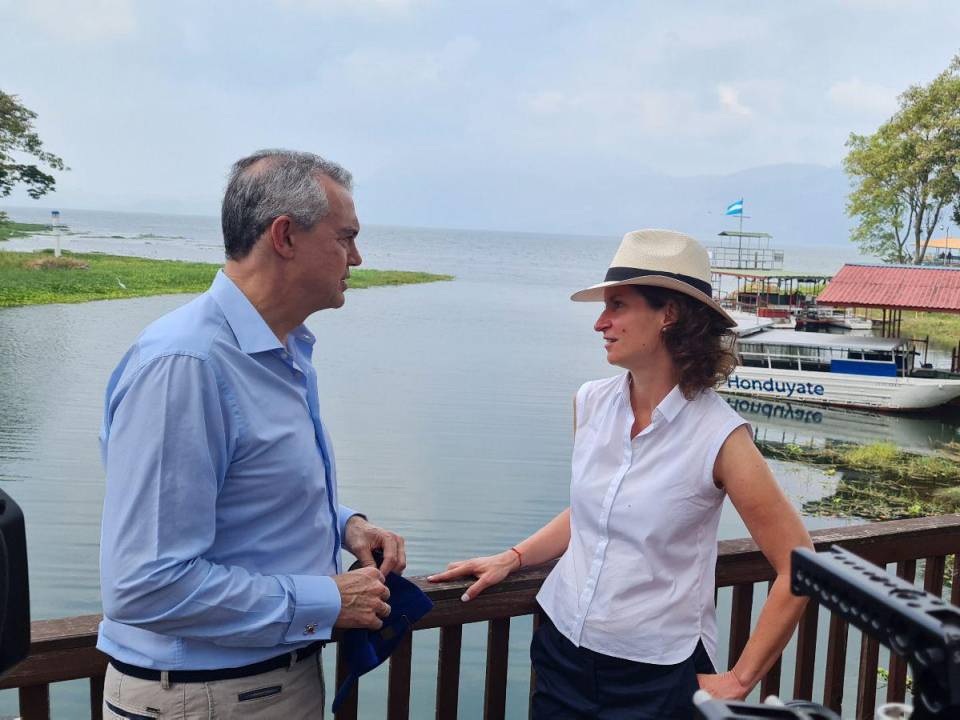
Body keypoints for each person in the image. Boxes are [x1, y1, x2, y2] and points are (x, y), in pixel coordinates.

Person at [429, 229, 814, 719]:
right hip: (562, 648)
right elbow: (597, 509)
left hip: (655, 676)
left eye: (617, 305)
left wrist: (740, 679)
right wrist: (514, 557)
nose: (599, 323)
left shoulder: (719, 438)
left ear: (668, 315)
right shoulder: (590, 402)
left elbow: (798, 567)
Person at [98, 149, 406, 719]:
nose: (357, 257)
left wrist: (346, 526)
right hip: (204, 698)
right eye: (345, 237)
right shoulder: (187, 365)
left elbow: (243, 490)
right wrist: (328, 600)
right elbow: (143, 584)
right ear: (285, 236)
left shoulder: (282, 349)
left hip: (257, 686)